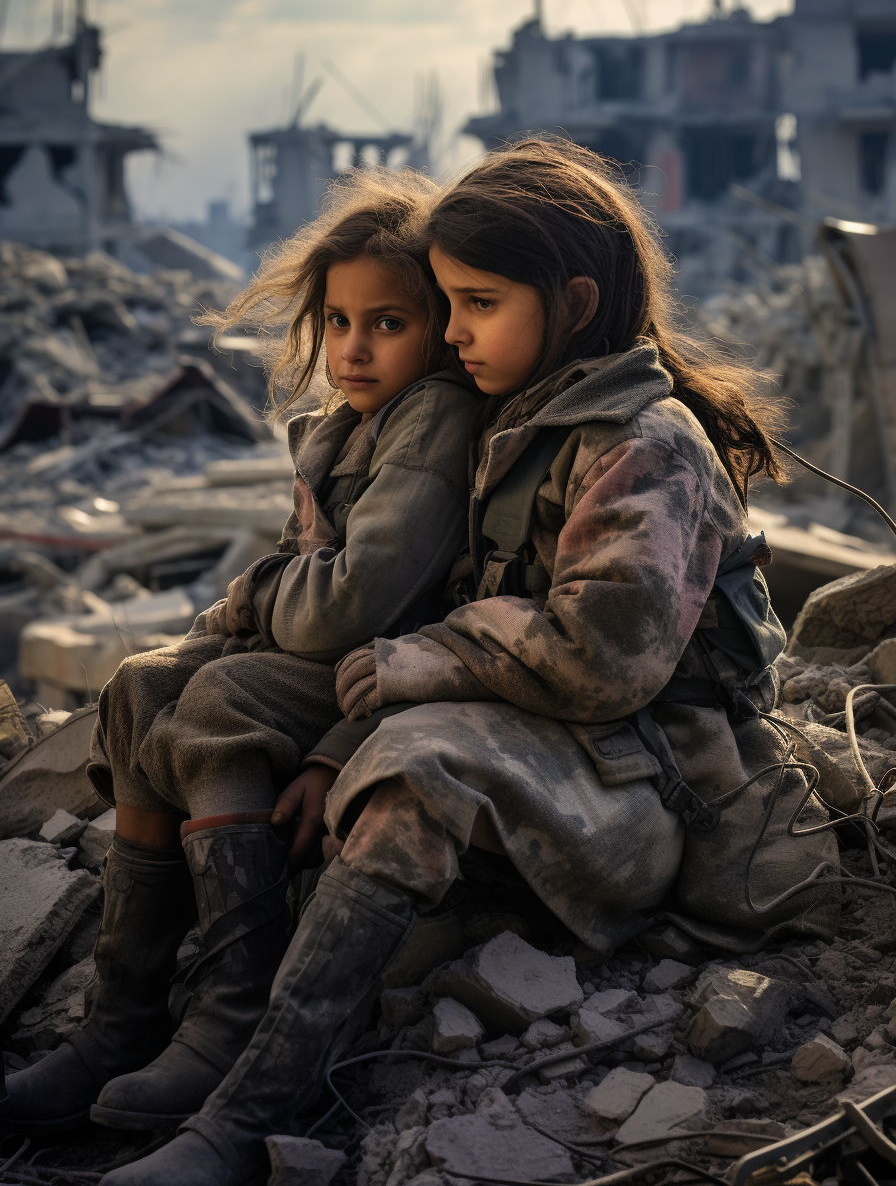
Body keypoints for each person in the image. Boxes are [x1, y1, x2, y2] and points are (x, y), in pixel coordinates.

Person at [101, 138, 839, 1186]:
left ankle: (249, 1110)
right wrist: (333, 744)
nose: (452, 333)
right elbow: (435, 619)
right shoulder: (514, 422)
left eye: (478, 303)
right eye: (445, 304)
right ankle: (131, 1025)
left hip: (647, 782)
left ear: (573, 301)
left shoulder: (643, 442)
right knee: (194, 694)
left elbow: (601, 660)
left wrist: (413, 677)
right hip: (549, 746)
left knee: (418, 767)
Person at [1, 168, 481, 1137]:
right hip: (337, 651)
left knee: (224, 701)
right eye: (338, 322)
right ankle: (121, 1021)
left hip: (386, 671)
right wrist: (240, 612)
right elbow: (301, 571)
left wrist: (256, 598)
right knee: (141, 685)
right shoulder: (354, 424)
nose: (353, 346)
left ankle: (229, 1015)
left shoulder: (433, 418)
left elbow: (343, 606)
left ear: (437, 329)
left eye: (386, 323)